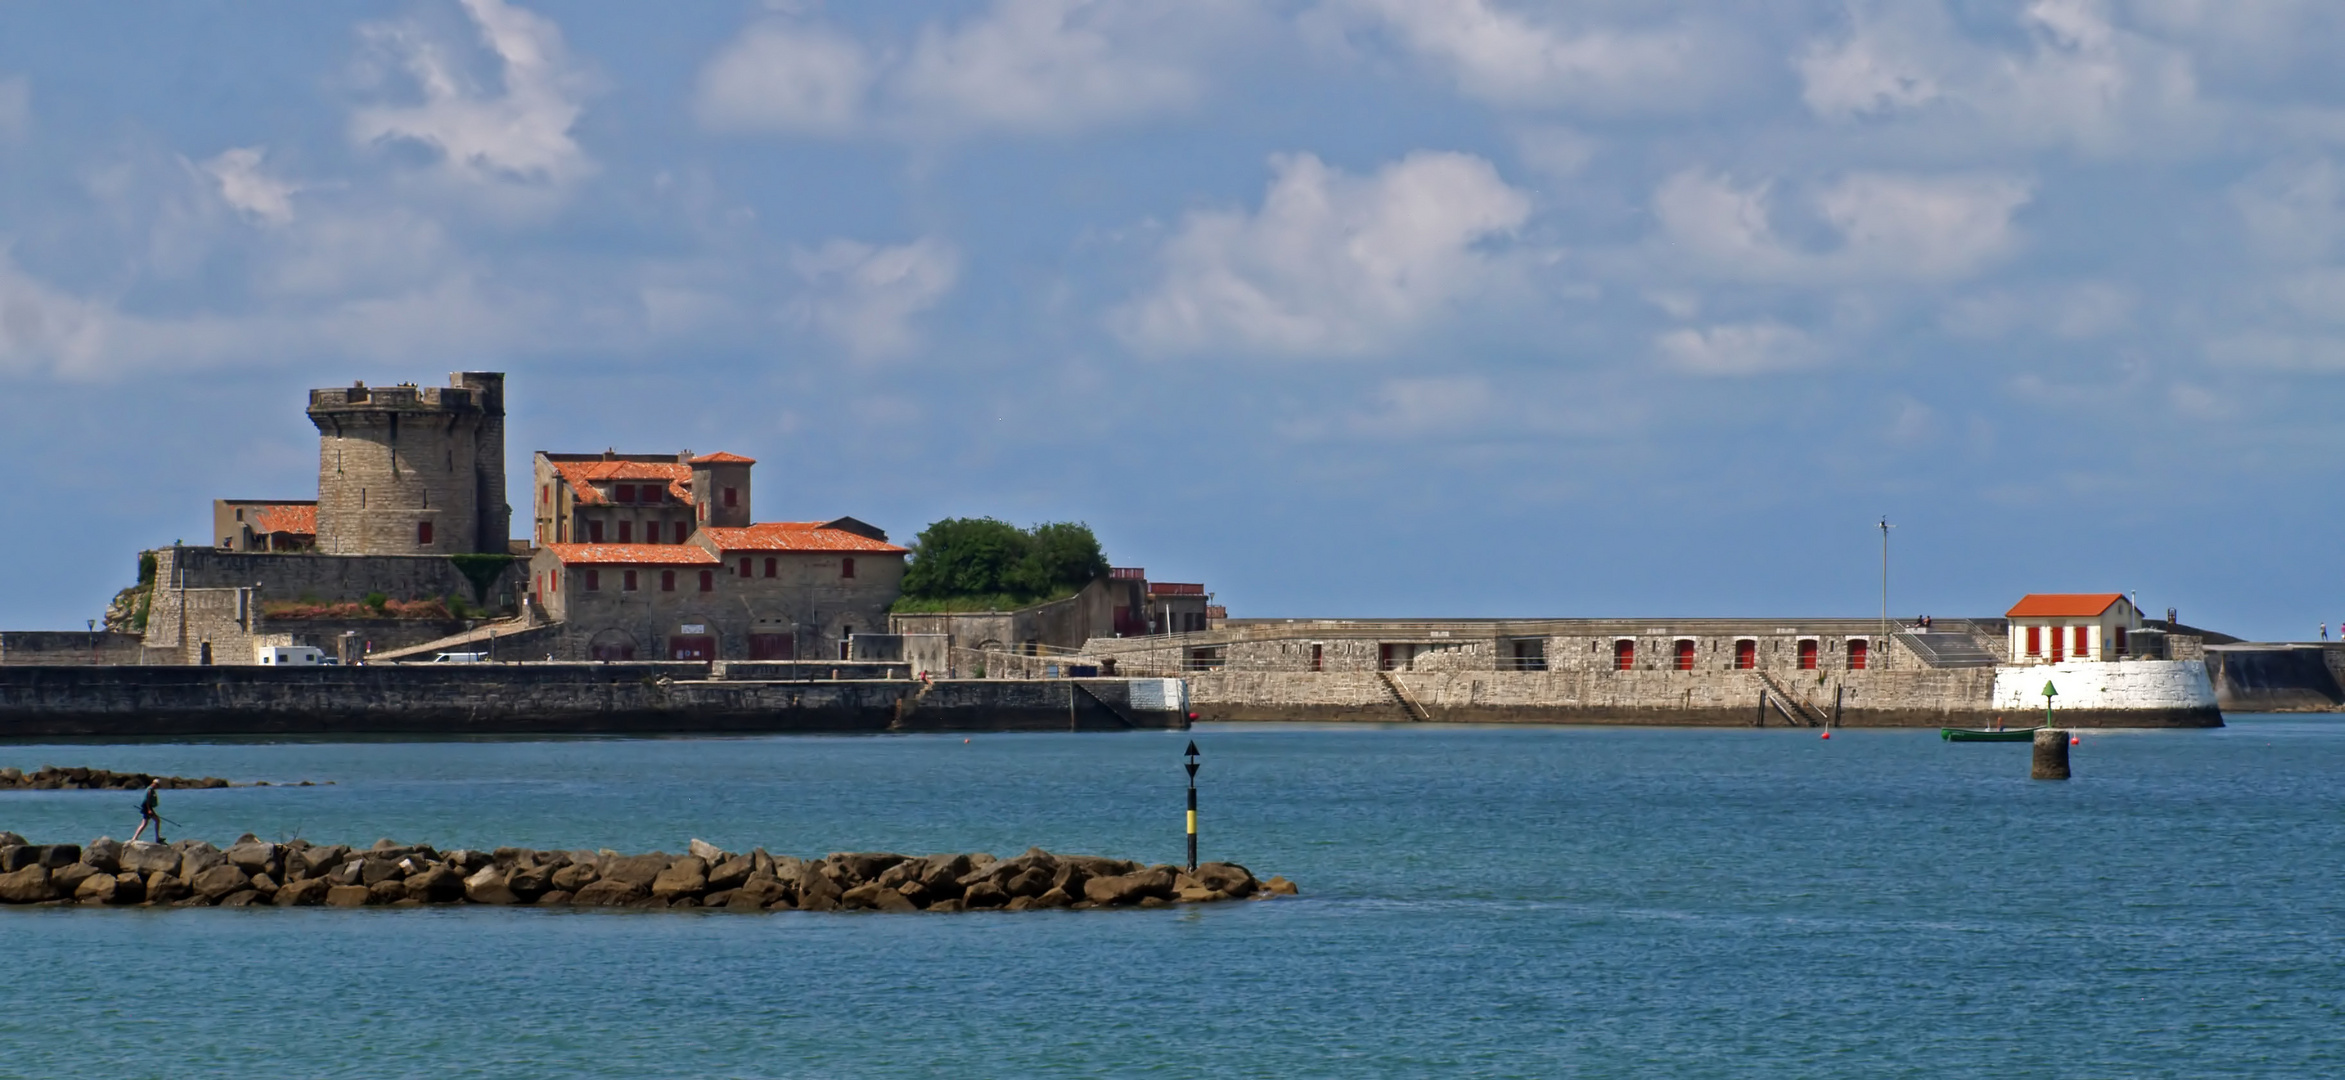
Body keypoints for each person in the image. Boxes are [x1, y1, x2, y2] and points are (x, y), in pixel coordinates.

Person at [130, 779, 164, 843]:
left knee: (146, 823)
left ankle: (135, 838)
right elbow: (147, 801)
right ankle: (157, 838)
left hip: (148, 808)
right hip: (147, 808)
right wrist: (149, 810)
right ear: (154, 784)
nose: (157, 787)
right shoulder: (149, 790)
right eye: (157, 785)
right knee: (155, 821)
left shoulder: (151, 790)